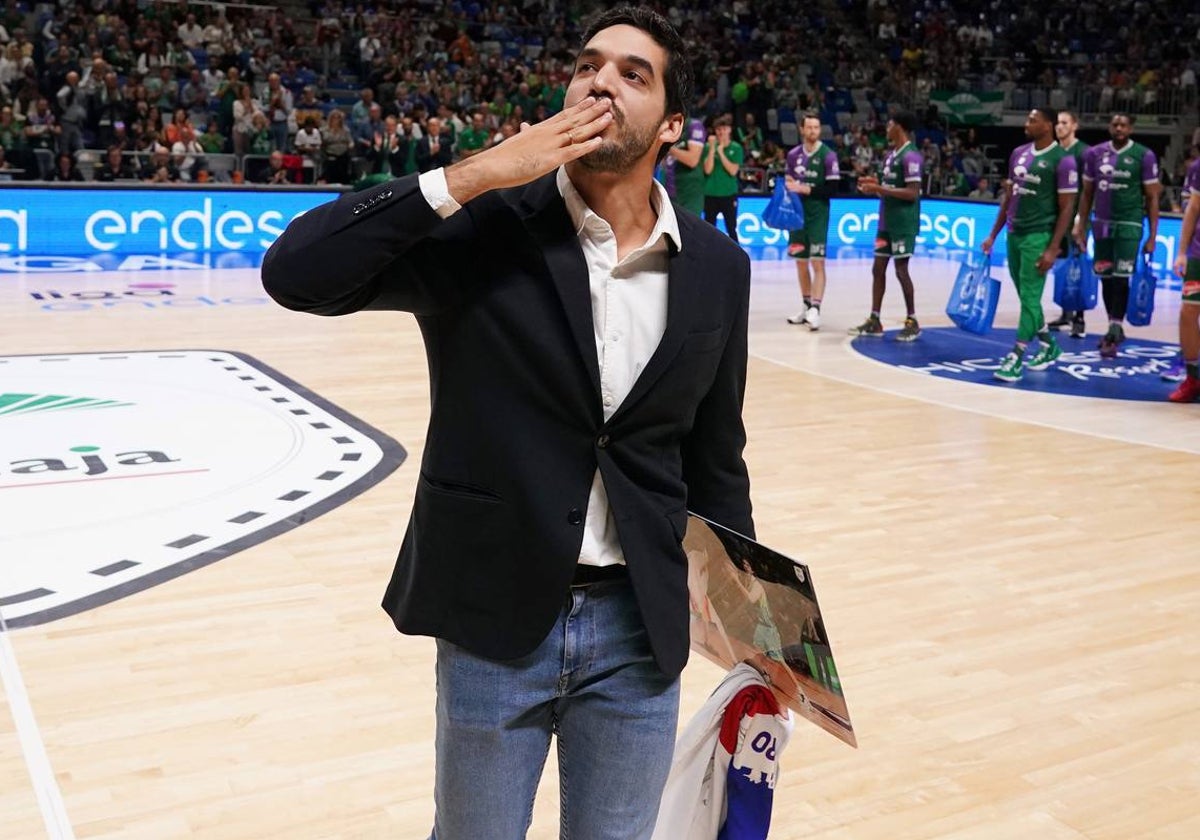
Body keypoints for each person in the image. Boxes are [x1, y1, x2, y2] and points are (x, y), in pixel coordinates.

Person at [261, 8, 755, 838]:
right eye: (588, 66)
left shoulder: (717, 267)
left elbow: (715, 457)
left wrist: (755, 636)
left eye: (633, 74)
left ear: (673, 124)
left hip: (642, 631)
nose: (600, 82)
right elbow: (296, 273)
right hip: (497, 624)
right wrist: (472, 175)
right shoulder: (486, 228)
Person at [980, 108, 1078, 382]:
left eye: (1033, 120)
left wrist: (1053, 247)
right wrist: (993, 234)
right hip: (1014, 232)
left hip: (1039, 236)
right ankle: (1049, 344)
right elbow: (1009, 197)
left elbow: (1067, 208)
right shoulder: (1018, 153)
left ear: (1047, 126)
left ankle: (1016, 355)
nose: (1027, 124)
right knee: (1026, 297)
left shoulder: (1063, 161)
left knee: (1030, 298)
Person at [1072, 113, 1161, 358]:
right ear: (1109, 127)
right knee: (1106, 278)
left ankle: (1114, 328)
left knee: (1122, 279)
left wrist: (1153, 235)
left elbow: (1153, 197)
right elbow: (1087, 193)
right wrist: (1080, 225)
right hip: (1101, 226)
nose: (1119, 128)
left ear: (1131, 128)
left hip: (1129, 226)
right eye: (1115, 124)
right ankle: (1114, 324)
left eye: (1123, 125)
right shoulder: (1094, 154)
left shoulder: (1144, 155)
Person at [849, 110, 923, 340]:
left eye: (890, 123)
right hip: (885, 222)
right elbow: (888, 186)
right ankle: (875, 319)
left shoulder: (912, 156)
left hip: (903, 223)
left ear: (899, 127)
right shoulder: (891, 155)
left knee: (901, 270)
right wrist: (873, 184)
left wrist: (880, 189)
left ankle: (912, 320)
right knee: (877, 269)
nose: (886, 128)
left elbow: (912, 193)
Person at [784, 112, 840, 330]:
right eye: (809, 127)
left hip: (818, 215)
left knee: (817, 262)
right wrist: (789, 184)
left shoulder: (828, 155)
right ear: (802, 129)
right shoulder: (793, 155)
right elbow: (789, 181)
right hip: (798, 216)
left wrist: (805, 188)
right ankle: (806, 305)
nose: (813, 131)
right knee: (800, 262)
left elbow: (833, 188)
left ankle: (816, 308)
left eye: (816, 127)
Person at [1046, 110, 1091, 338]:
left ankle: (1080, 318)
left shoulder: (1083, 152)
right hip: (1056, 220)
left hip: (1076, 219)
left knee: (1078, 268)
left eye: (1064, 123)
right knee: (1062, 268)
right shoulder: (1053, 152)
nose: (1059, 126)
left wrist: (1080, 220)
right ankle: (1065, 313)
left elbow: (1088, 190)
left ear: (1075, 125)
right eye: (1057, 123)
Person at [1168, 150, 1200, 402]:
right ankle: (1193, 377)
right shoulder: (1198, 167)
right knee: (1187, 312)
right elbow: (1192, 210)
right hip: (1198, 253)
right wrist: (1181, 251)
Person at [703, 114, 743, 241]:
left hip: (728, 194)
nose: (721, 132)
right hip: (710, 194)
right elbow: (707, 170)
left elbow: (732, 171)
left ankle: (736, 258)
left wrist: (720, 152)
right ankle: (708, 257)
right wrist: (712, 150)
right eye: (718, 130)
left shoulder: (736, 148)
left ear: (729, 130)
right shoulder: (708, 147)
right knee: (709, 229)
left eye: (724, 129)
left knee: (731, 228)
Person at [665, 115, 706, 216]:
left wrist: (666, 147)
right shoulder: (666, 127)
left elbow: (693, 160)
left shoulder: (693, 126)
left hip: (688, 192)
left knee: (689, 229)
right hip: (669, 189)